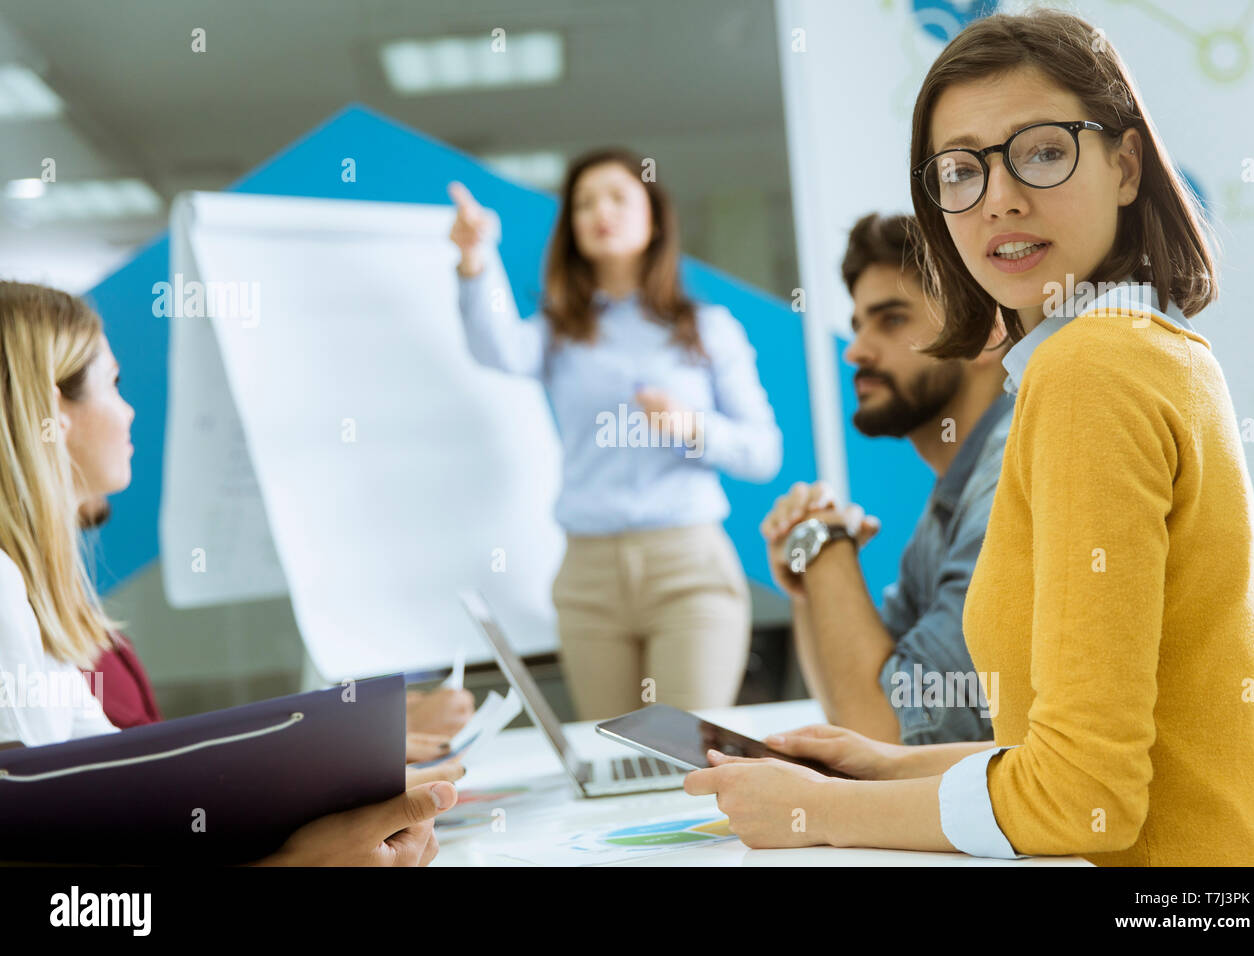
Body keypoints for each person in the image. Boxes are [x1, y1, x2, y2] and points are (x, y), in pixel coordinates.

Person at [685, 8, 1254, 866]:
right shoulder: (1141, 348)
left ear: (1125, 166)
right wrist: (887, 765)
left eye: (1043, 151)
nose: (1001, 197)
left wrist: (813, 815)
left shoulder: (1093, 372)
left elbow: (1086, 801)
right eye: (960, 170)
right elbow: (1085, 756)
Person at [0, 280, 458, 865]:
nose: (129, 409)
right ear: (51, 411)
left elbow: (123, 796)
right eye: (112, 384)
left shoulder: (33, 600)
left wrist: (323, 776)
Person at [449, 147, 782, 720]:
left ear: (654, 218)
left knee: (686, 757)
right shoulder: (560, 331)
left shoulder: (707, 329)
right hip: (589, 578)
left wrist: (691, 427)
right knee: (616, 755)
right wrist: (475, 257)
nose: (599, 211)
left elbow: (763, 453)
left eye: (617, 197)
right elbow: (495, 347)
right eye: (583, 203)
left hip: (687, 566)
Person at [760, 213, 1010, 744]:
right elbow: (852, 710)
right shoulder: (953, 496)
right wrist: (810, 577)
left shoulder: (1012, 475)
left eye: (891, 319)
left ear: (988, 332)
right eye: (856, 326)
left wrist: (823, 542)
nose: (856, 350)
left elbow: (886, 733)